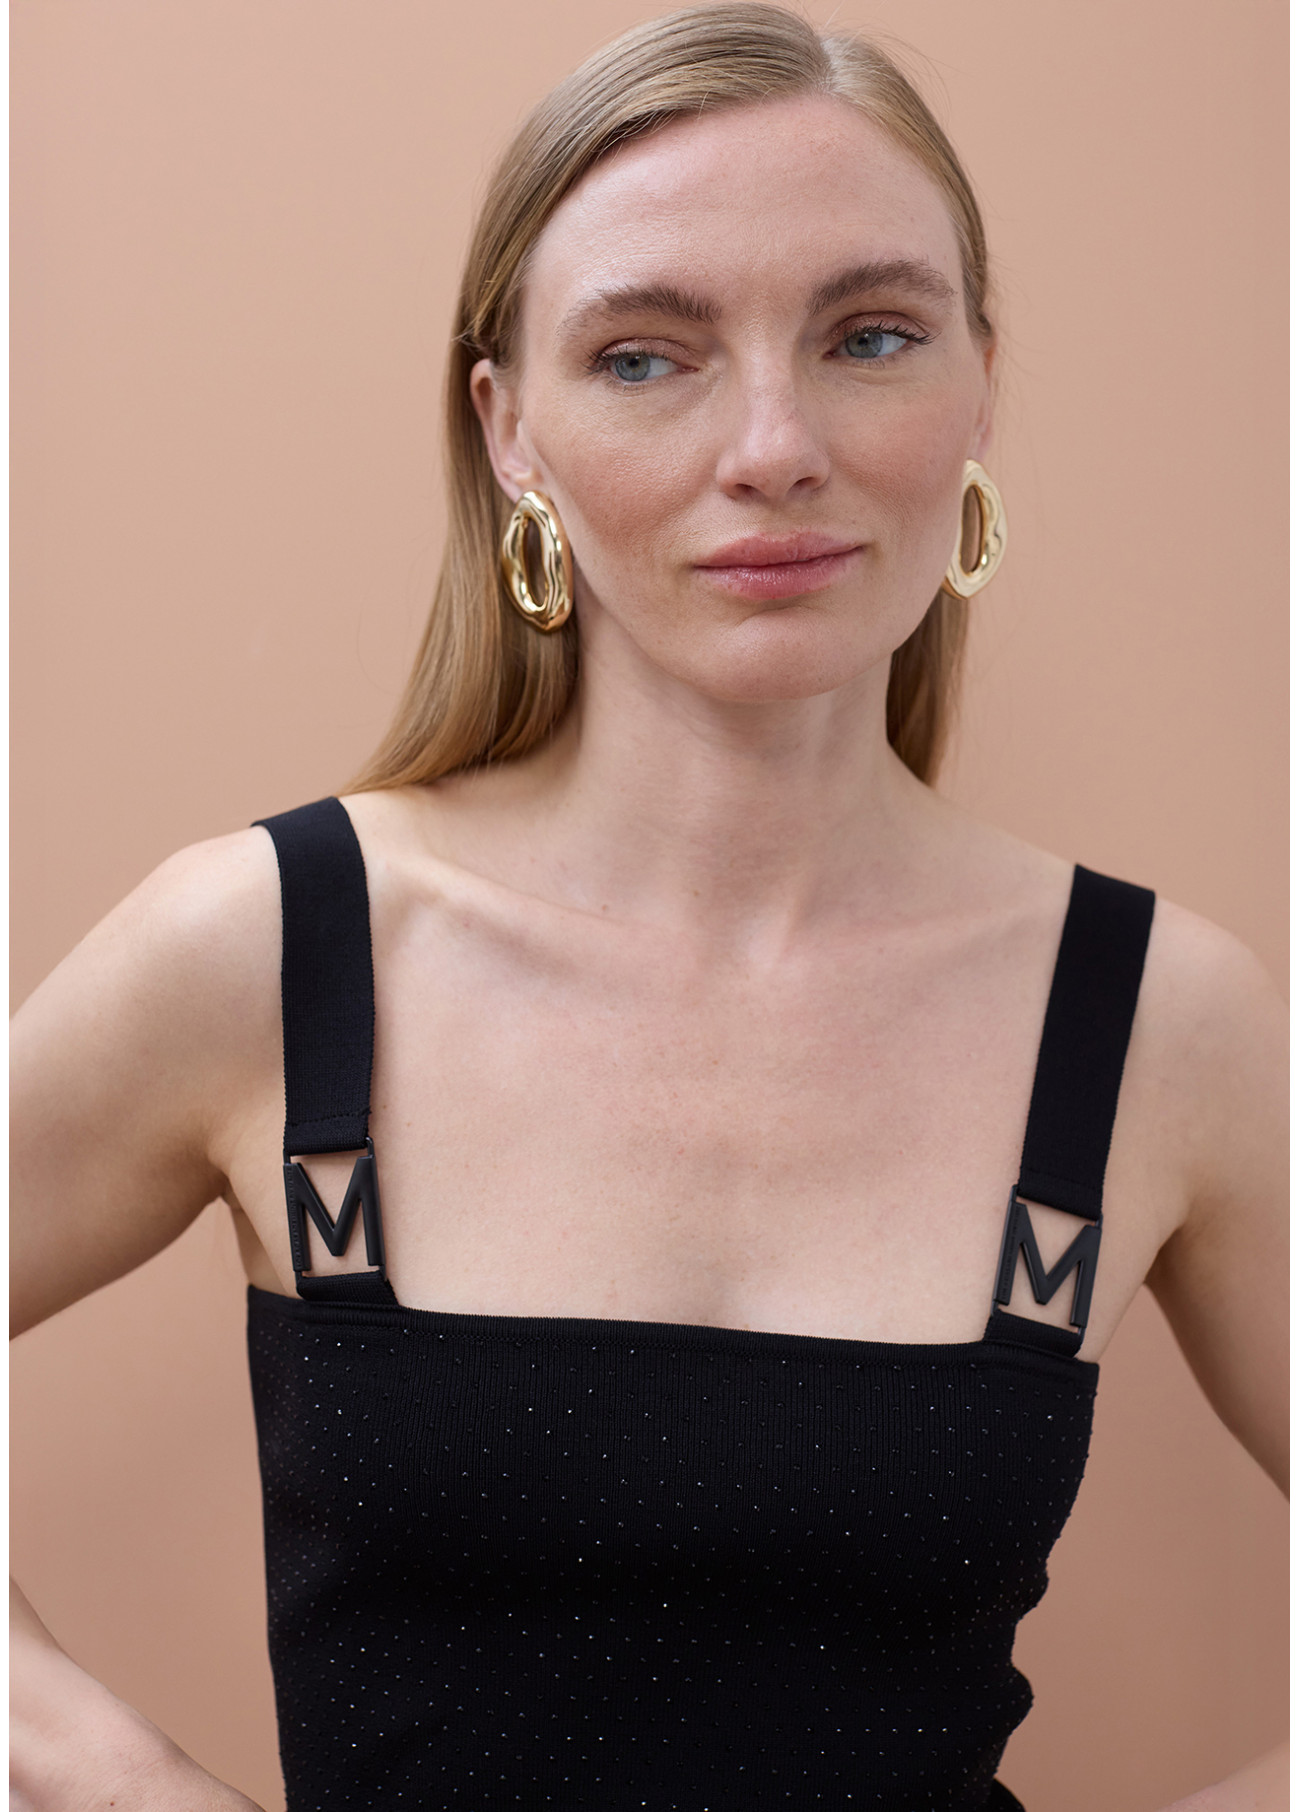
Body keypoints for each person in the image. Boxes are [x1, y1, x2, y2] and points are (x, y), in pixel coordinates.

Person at [10, 6, 1286, 1809]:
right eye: (643, 357)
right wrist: (119, 1784)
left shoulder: (1162, 1024)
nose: (774, 445)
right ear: (508, 429)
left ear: (982, 385)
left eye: (870, 335)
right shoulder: (275, 953)